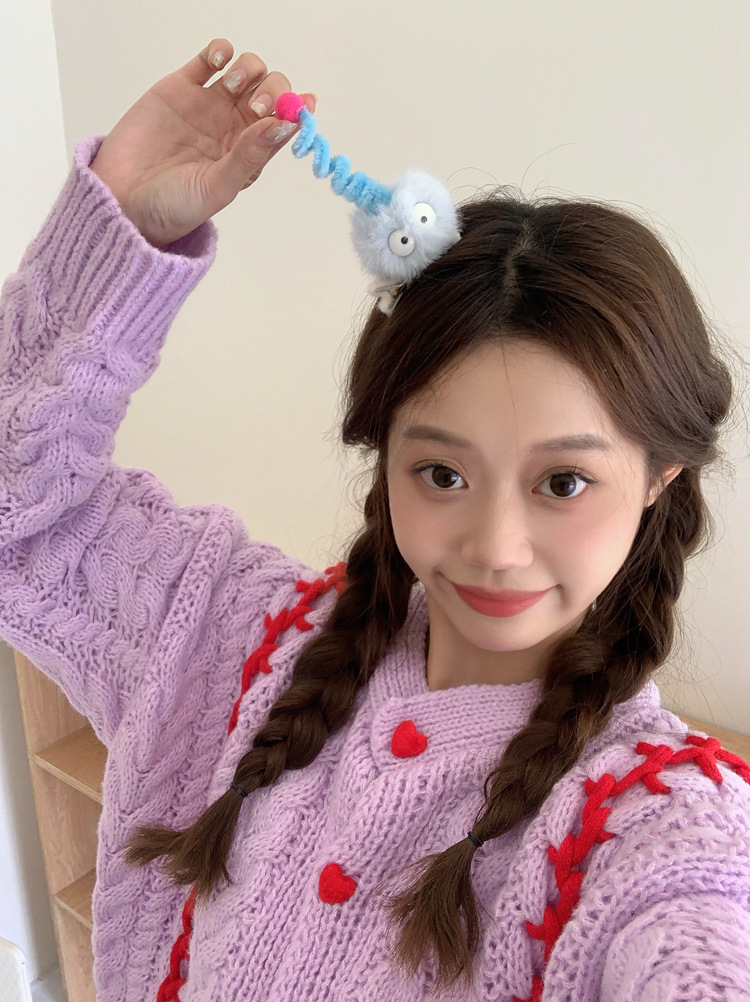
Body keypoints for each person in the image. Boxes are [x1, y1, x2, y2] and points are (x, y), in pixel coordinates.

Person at [1, 36, 749, 1002]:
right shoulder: (230, 631)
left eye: (563, 483)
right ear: (384, 454)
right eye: (441, 472)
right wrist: (118, 235)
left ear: (658, 478)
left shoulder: (650, 822)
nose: (494, 547)